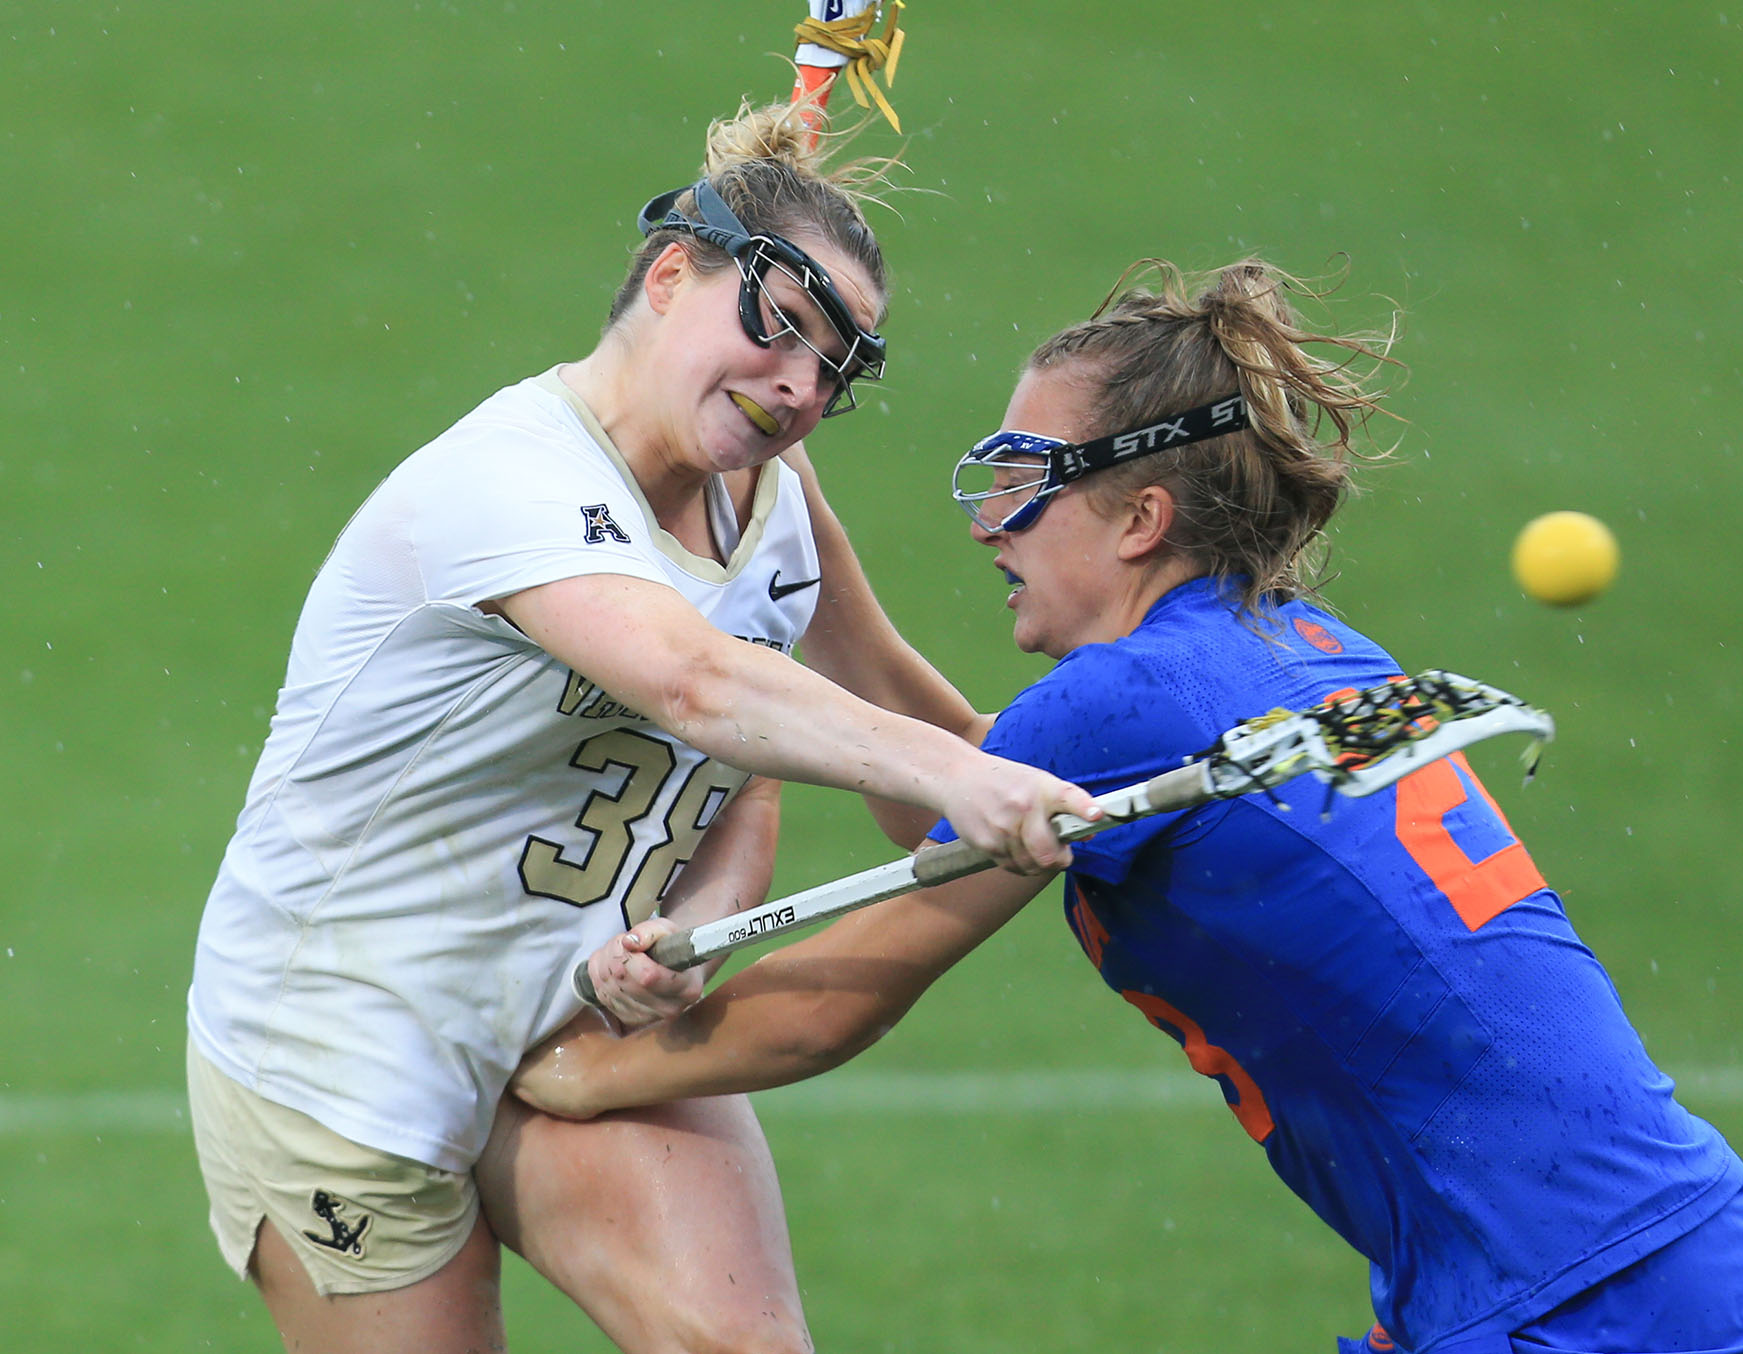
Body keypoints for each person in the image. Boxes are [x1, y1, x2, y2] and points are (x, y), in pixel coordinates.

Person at [515, 258, 1743, 1353]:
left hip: (1575, 1299)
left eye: (1023, 478)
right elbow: (966, 799)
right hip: (1620, 1254)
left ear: (1138, 515)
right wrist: (812, 553)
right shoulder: (1284, 643)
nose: (987, 526)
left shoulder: (1127, 698)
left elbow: (841, 992)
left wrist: (578, 1078)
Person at [184, 100, 1100, 1354]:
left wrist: (690, 925)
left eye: (836, 367)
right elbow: (696, 686)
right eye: (779, 328)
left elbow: (806, 757)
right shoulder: (507, 481)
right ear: (672, 275)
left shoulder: (770, 501)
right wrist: (961, 773)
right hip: (348, 1055)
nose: (796, 387)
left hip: (583, 1026)